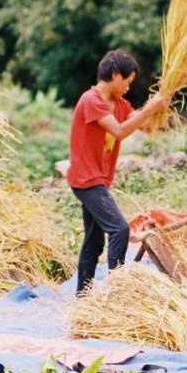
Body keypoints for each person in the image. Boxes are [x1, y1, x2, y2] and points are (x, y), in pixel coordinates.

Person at [66, 50, 168, 294]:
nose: (128, 88)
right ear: (114, 75)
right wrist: (149, 109)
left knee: (93, 241)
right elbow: (119, 131)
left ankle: (83, 298)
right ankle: (118, 293)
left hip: (98, 180)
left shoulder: (120, 104)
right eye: (127, 82)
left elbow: (146, 127)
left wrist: (160, 107)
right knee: (119, 229)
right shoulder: (91, 100)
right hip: (86, 179)